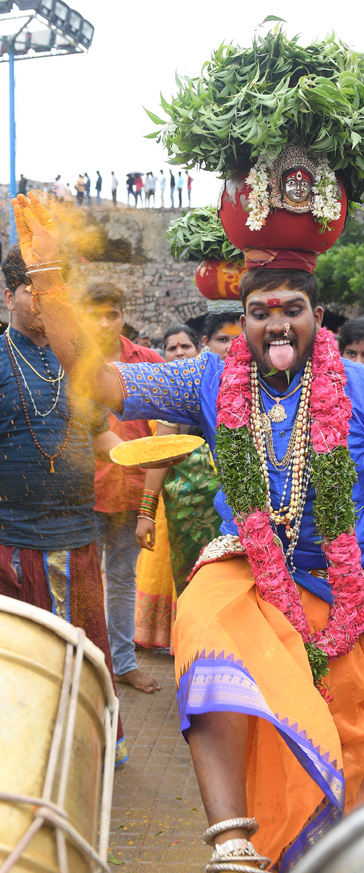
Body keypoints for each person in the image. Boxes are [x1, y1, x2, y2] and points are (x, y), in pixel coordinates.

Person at [15, 191, 364, 873]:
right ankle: (231, 848)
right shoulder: (206, 376)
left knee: (333, 773)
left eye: (291, 308)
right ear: (244, 323)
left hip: (341, 600)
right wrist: (47, 278)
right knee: (204, 620)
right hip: (248, 576)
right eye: (259, 312)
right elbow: (98, 380)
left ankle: (304, 872)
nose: (275, 322)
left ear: (318, 318)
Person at [0, 247, 130, 764]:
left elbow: (107, 440)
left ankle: (94, 748)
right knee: (24, 655)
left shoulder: (81, 367)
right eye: (37, 290)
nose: (48, 302)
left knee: (87, 648)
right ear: (8, 295)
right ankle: (27, 758)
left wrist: (156, 457)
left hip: (78, 538)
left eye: (57, 292)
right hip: (14, 540)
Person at [85, 282, 165, 694]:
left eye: (111, 314)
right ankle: (85, 665)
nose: (103, 323)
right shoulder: (72, 360)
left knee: (120, 579)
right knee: (80, 580)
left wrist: (149, 507)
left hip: (133, 492)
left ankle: (122, 663)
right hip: (84, 491)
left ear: (122, 315)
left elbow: (165, 424)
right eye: (95, 314)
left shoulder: (147, 360)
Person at [133, 323, 209, 650]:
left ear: (199, 349)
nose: (179, 352)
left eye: (185, 347)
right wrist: (146, 512)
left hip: (226, 510)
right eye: (172, 348)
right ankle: (190, 648)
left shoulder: (219, 388)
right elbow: (160, 454)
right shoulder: (170, 395)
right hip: (182, 510)